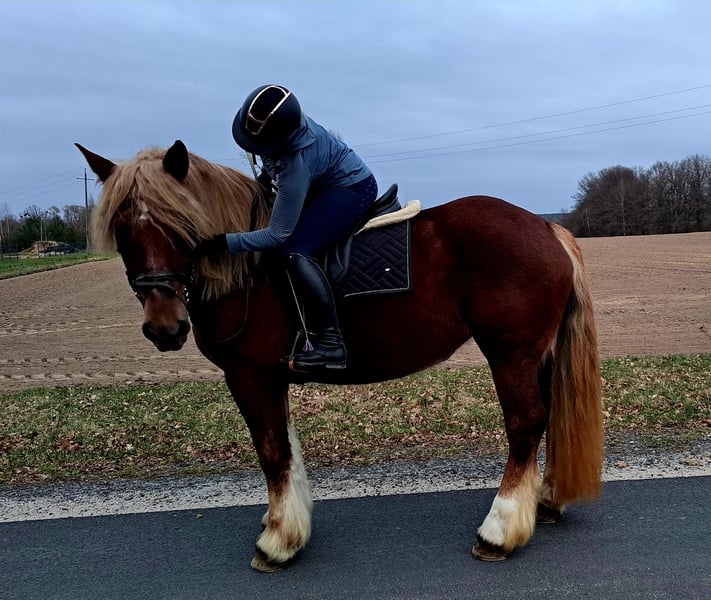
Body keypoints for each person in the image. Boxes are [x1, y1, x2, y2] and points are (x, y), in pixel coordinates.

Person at [198, 84, 378, 372]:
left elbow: (277, 235)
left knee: (295, 250)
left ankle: (332, 342)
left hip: (351, 189)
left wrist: (224, 243)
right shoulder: (283, 126)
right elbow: (271, 158)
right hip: (322, 182)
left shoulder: (297, 164)